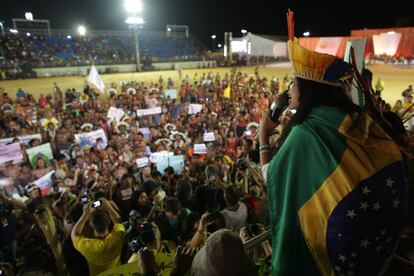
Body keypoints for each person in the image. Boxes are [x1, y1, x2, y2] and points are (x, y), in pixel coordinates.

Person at [258, 11, 407, 275]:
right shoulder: (359, 120)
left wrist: (262, 135)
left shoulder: (305, 134)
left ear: (307, 89)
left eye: (294, 83)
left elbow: (273, 177)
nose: (290, 90)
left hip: (336, 254)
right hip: (377, 245)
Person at [71, 198, 125, 276]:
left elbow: (74, 234)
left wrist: (85, 214)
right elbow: (118, 221)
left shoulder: (87, 246)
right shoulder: (118, 237)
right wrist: (107, 205)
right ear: (109, 221)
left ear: (91, 224)